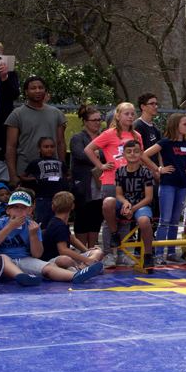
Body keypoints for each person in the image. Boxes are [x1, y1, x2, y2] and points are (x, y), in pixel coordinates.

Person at [0, 190, 101, 284]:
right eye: (15, 207)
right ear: (7, 210)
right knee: (2, 258)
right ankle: (21, 276)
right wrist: (9, 227)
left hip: (25, 259)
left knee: (50, 266)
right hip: (2, 262)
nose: (19, 210)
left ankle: (75, 275)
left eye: (23, 207)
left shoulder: (32, 225)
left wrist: (33, 235)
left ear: (30, 210)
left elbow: (37, 254)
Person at [143, 113, 186, 264]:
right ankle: (159, 254)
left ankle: (172, 253)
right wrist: (159, 169)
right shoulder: (166, 142)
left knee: (174, 220)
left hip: (182, 184)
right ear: (175, 125)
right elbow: (144, 155)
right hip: (168, 183)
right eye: (184, 124)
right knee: (165, 220)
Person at [85, 102, 144, 266]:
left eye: (132, 114)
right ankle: (108, 254)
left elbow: (141, 156)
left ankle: (122, 253)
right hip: (111, 180)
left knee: (126, 216)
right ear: (117, 116)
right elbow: (89, 149)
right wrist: (101, 166)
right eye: (126, 114)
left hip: (130, 182)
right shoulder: (109, 133)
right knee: (110, 217)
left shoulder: (137, 135)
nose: (130, 117)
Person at [102, 140, 156, 271]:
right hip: (125, 204)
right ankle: (115, 234)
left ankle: (148, 255)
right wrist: (126, 203)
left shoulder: (146, 172)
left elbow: (149, 197)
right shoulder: (119, 171)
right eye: (129, 151)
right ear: (123, 155)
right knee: (108, 201)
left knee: (144, 221)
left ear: (141, 153)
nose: (132, 154)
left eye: (136, 151)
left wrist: (133, 208)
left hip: (141, 205)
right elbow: (119, 194)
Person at [5, 76, 67, 189]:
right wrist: (13, 175)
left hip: (52, 172)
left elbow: (61, 143)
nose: (37, 91)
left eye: (40, 88)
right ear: (26, 91)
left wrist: (62, 169)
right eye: (33, 88)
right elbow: (10, 146)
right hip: (25, 172)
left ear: (45, 91)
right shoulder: (17, 114)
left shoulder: (56, 113)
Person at [40, 191, 104, 277]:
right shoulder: (59, 226)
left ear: (53, 207)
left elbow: (72, 239)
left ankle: (80, 268)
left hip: (64, 258)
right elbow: (63, 250)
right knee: (65, 260)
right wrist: (86, 259)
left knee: (97, 252)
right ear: (72, 207)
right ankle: (82, 268)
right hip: (53, 260)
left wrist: (87, 251)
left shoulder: (60, 223)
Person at [70, 105, 104, 250]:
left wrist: (93, 154)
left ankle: (92, 248)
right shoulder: (77, 138)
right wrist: (97, 156)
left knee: (96, 215)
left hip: (100, 183)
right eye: (93, 120)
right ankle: (82, 249)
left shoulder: (104, 136)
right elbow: (80, 155)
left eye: (99, 120)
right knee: (82, 215)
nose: (97, 123)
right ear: (85, 122)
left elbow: (109, 154)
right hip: (83, 183)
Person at [21, 137, 69, 229]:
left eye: (52, 147)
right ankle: (42, 237)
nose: (49, 149)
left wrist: (63, 180)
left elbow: (68, 176)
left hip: (58, 197)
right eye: (46, 147)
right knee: (42, 223)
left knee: (57, 222)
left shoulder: (60, 162)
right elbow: (23, 177)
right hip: (42, 197)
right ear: (39, 149)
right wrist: (33, 179)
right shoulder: (35, 162)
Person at [135, 92, 163, 219]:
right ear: (143, 106)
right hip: (144, 174)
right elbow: (138, 154)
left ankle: (154, 228)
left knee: (158, 205)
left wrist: (160, 169)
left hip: (156, 172)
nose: (155, 106)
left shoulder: (155, 129)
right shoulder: (137, 126)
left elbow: (159, 152)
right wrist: (153, 171)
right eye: (152, 104)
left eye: (156, 104)